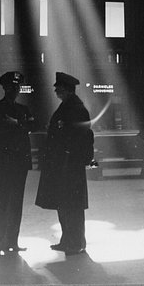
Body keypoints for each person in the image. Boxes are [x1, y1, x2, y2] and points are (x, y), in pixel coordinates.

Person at [35, 72, 94, 256]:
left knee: (72, 205)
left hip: (70, 164)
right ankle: (67, 240)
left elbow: (83, 136)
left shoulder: (76, 108)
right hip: (62, 163)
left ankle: (76, 243)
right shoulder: (68, 106)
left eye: (58, 88)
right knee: (64, 203)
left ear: (67, 89)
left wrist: (71, 153)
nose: (56, 91)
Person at [0, 71, 34, 257]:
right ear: (4, 88)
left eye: (17, 87)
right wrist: (21, 124)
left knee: (15, 203)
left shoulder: (23, 109)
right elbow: (0, 129)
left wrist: (15, 123)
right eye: (11, 87)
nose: (15, 90)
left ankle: (12, 242)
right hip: (2, 162)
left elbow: (34, 126)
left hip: (18, 162)